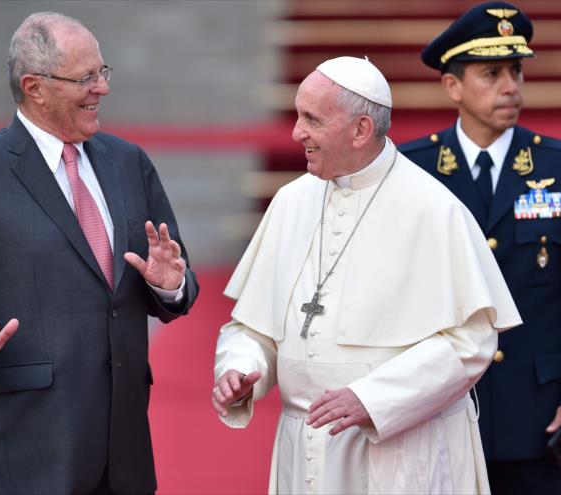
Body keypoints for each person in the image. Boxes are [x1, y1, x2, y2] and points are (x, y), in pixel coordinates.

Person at [0, 12, 199, 494]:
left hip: (122, 450)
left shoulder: (129, 162)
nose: (101, 89)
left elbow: (176, 279)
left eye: (102, 73)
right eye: (85, 78)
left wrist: (169, 286)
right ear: (35, 87)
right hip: (26, 451)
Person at [211, 56, 521, 494]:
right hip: (305, 448)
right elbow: (254, 326)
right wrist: (242, 368)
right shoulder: (289, 202)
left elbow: (471, 341)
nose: (297, 132)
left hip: (401, 452)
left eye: (311, 120)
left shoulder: (434, 209)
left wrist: (373, 399)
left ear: (360, 130)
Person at [399, 3, 561, 493]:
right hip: (438, 404)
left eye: (516, 71)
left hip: (538, 412)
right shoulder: (413, 170)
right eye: (491, 73)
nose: (511, 85)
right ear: (453, 86)